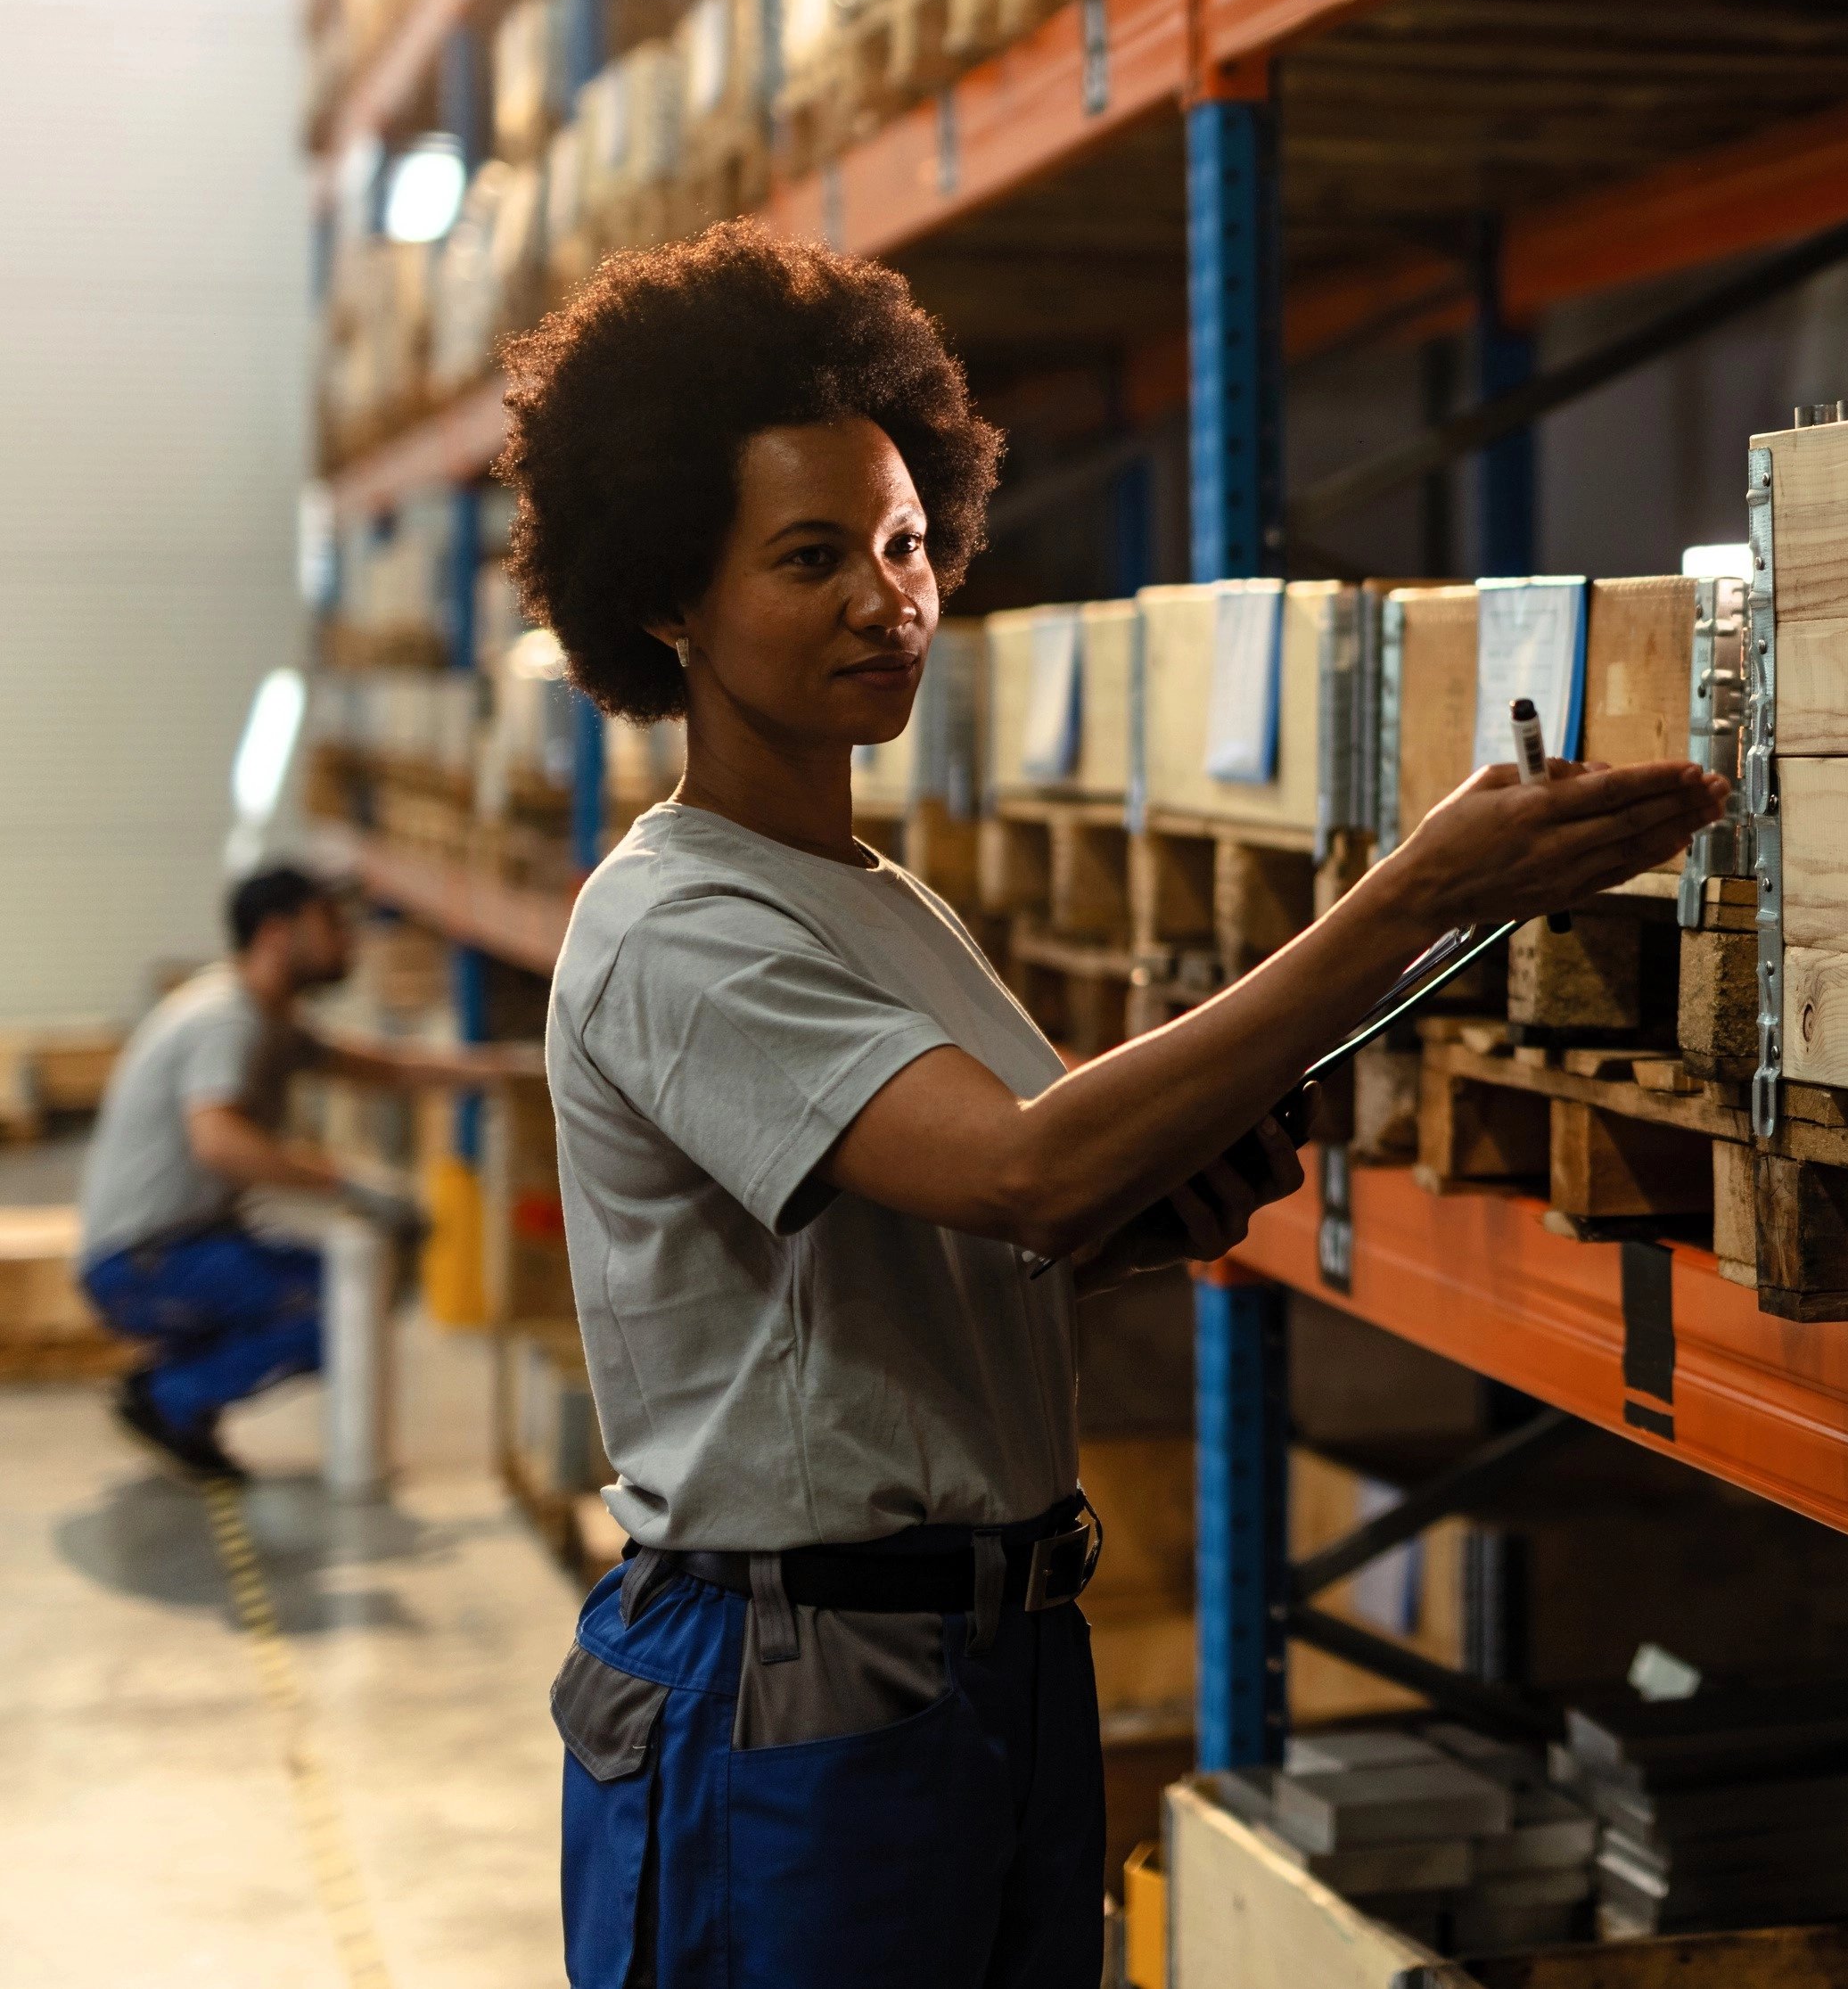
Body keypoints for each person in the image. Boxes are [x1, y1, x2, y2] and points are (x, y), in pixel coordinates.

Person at [497, 222, 1722, 1989]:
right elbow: (1024, 1165)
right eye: (813, 556)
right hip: (797, 1698)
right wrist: (1407, 892)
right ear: (670, 599)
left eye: (911, 545)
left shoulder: (882, 901)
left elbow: (1020, 1216)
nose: (887, 596)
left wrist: (1155, 1204)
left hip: (987, 1659)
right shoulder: (671, 925)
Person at [77, 865, 531, 1481]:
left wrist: (503, 1070)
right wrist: (347, 1183)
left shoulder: (267, 1019)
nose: (348, 941)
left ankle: (172, 1384)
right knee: (338, 1304)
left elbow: (385, 1069)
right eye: (330, 925)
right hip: (142, 1263)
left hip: (176, 1249)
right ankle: (170, 1397)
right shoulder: (228, 1020)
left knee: (333, 1288)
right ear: (276, 932)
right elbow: (219, 1143)